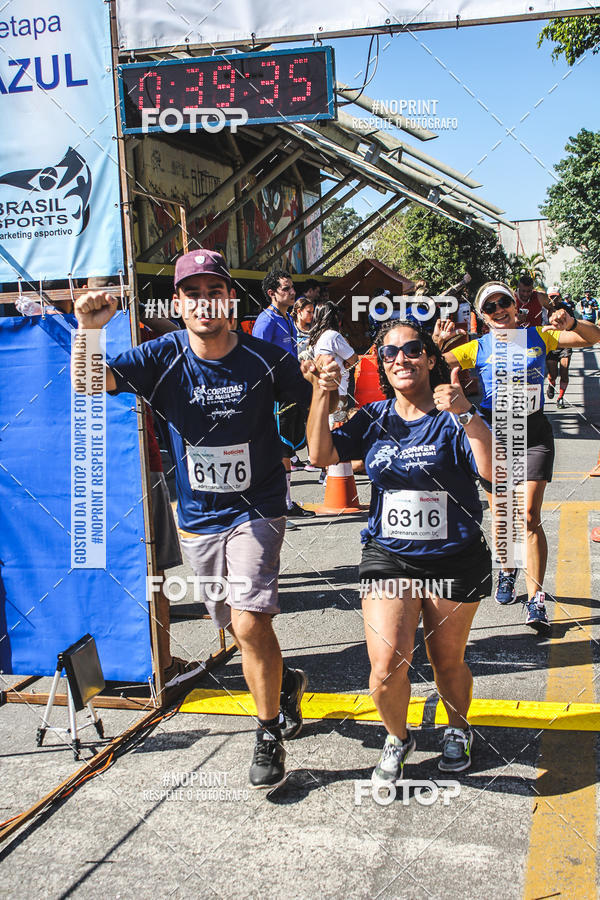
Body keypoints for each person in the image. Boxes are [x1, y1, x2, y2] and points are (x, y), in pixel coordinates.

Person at [71, 250, 339, 789]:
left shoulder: (265, 357)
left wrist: (322, 382)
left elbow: (315, 404)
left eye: (214, 291)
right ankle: (285, 685)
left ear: (230, 299)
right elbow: (87, 384)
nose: (204, 302)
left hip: (258, 506)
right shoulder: (163, 355)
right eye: (192, 293)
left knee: (248, 619)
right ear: (179, 302)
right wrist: (87, 329)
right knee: (234, 624)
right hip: (197, 514)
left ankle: (267, 734)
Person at [304, 319, 493, 780]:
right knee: (386, 668)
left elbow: (494, 472)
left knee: (446, 662)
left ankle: (459, 728)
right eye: (389, 354)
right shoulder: (373, 418)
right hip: (389, 554)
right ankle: (397, 736)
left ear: (430, 359)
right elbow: (319, 456)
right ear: (381, 366)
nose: (401, 359)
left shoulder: (455, 414)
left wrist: (466, 412)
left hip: (454, 555)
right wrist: (321, 392)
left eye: (412, 350)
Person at [435, 281, 600, 631]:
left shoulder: (540, 336)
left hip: (534, 431)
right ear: (483, 315)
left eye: (503, 302)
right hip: (494, 433)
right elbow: (429, 365)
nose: (498, 310)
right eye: (490, 307)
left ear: (516, 305)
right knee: (504, 517)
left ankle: (537, 599)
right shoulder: (475, 348)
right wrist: (434, 345)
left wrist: (571, 324)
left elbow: (593, 337)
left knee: (527, 514)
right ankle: (508, 569)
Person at [253, 270, 317, 525]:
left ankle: (285, 502)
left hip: (289, 392)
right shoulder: (266, 321)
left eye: (292, 288)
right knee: (277, 449)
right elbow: (256, 359)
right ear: (272, 294)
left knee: (286, 449)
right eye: (286, 289)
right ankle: (276, 505)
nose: (293, 292)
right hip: (272, 395)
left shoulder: (288, 318)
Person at [308, 302, 358, 427]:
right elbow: (354, 359)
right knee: (338, 426)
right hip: (338, 391)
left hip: (324, 390)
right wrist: (347, 361)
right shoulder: (333, 336)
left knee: (327, 426)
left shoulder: (317, 337)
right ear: (334, 317)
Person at [546, 288, 577, 408]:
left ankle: (560, 398)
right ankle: (551, 384)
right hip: (551, 344)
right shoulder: (544, 309)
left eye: (556, 297)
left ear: (560, 297)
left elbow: (574, 324)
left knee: (564, 372)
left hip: (565, 344)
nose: (554, 299)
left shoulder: (566, 308)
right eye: (551, 297)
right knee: (552, 374)